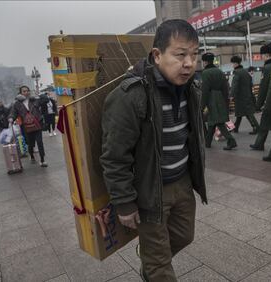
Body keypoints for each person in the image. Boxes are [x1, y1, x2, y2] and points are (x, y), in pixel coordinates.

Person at [100, 19, 207, 281]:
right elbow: (114, 156)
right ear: (157, 55)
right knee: (160, 267)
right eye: (180, 55)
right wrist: (124, 203)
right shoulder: (131, 96)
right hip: (150, 188)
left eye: (194, 55)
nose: (189, 63)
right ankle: (153, 263)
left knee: (184, 235)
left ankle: (149, 258)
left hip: (181, 181)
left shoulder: (190, 88)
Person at [201, 52, 237, 150]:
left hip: (211, 99)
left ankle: (231, 140)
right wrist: (226, 101)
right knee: (213, 122)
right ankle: (207, 143)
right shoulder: (219, 71)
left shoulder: (205, 73)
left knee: (218, 121)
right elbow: (225, 88)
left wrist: (201, 106)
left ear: (205, 62)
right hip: (220, 97)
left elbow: (205, 91)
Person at [9, 85, 48, 167]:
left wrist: (39, 94)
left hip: (37, 125)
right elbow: (13, 112)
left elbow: (45, 100)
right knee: (30, 143)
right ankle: (32, 156)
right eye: (24, 91)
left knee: (40, 142)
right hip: (26, 126)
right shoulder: (17, 104)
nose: (26, 92)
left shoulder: (34, 100)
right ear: (20, 93)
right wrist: (11, 118)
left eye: (27, 91)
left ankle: (42, 160)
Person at [250, 44, 271, 151]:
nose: (261, 57)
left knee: (265, 123)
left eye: (262, 55)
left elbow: (263, 88)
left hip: (269, 102)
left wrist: (258, 104)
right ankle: (259, 143)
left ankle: (259, 144)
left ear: (265, 55)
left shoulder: (267, 67)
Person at [230, 55, 259, 134]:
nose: (232, 65)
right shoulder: (245, 72)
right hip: (247, 95)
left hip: (240, 97)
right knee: (240, 113)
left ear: (236, 63)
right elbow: (250, 84)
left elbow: (234, 85)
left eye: (232, 63)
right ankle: (236, 128)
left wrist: (231, 95)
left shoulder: (237, 72)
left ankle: (256, 127)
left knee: (248, 113)